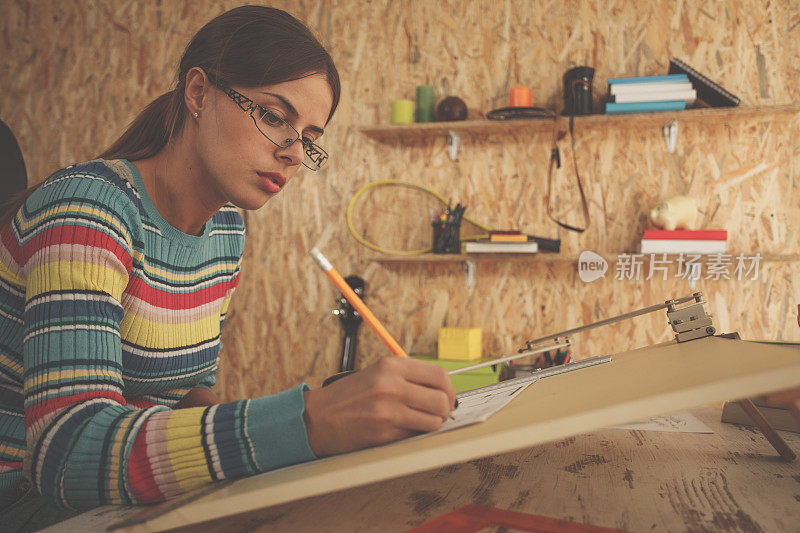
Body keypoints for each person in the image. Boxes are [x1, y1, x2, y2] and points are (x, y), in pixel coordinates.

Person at [0, 6, 455, 529]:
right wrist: (308, 422)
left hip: (128, 502)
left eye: (309, 137)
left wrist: (256, 470)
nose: (291, 152)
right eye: (274, 116)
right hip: (29, 502)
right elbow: (67, 453)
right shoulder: (88, 211)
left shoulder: (225, 232)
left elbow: (188, 390)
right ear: (198, 92)